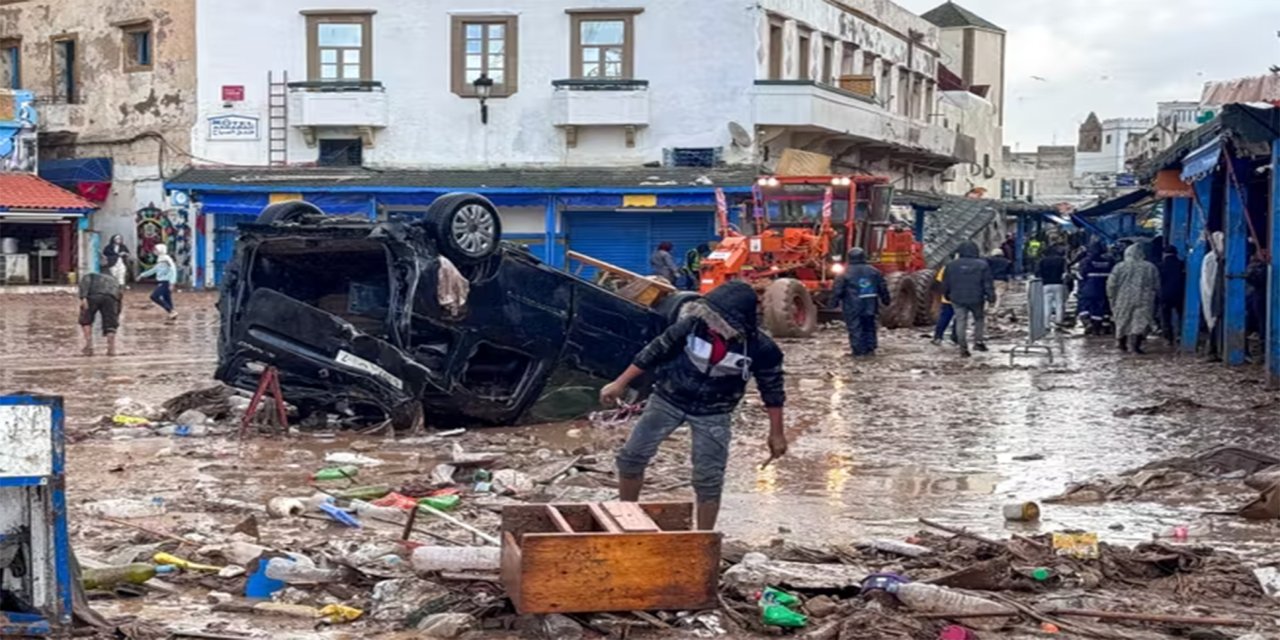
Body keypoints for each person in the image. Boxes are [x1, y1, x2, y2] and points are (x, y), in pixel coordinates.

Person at [601, 281, 787, 530]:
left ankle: (704, 535)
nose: (710, 323)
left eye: (716, 319)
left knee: (708, 477)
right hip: (668, 398)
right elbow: (655, 350)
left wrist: (776, 433)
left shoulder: (762, 349)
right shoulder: (691, 326)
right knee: (631, 457)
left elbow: (772, 391)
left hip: (715, 411)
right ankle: (627, 516)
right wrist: (620, 383)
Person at [830, 248, 891, 357]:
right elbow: (882, 287)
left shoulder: (844, 272)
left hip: (852, 306)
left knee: (855, 327)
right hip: (871, 304)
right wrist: (886, 300)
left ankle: (858, 351)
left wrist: (832, 304)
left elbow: (838, 290)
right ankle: (870, 349)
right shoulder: (874, 271)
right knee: (870, 326)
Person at [942, 241, 995, 357]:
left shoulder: (951, 265)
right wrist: (991, 297)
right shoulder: (982, 265)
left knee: (961, 321)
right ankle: (978, 342)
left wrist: (946, 294)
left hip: (957, 297)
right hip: (977, 297)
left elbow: (946, 282)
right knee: (979, 319)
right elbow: (987, 283)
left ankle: (963, 347)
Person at [1107, 243, 1160, 354]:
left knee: (1122, 320)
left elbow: (1111, 284)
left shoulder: (1119, 266)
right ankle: (1135, 347)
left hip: (1123, 298)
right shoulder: (1150, 267)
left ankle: (1121, 345)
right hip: (1144, 299)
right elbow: (1156, 285)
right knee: (1139, 321)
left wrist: (1112, 297)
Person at [78, 270, 122, 357]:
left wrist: (83, 297)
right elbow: (119, 297)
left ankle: (89, 345)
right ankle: (111, 348)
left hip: (93, 295)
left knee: (86, 319)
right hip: (111, 297)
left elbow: (85, 284)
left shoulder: (89, 275)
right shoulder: (114, 279)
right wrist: (116, 313)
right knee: (111, 324)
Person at [1077, 242, 1115, 336]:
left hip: (1088, 288)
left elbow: (1081, 275)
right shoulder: (1109, 261)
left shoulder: (1087, 261)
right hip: (1103, 288)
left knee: (1084, 306)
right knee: (1099, 309)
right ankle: (1096, 328)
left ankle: (1087, 323)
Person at [138, 244, 178, 321]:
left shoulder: (166, 260)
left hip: (165, 281)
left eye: (156, 250)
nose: (154, 251)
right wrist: (142, 275)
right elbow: (154, 270)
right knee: (167, 299)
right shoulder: (160, 259)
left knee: (154, 296)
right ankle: (172, 313)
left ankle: (171, 311)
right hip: (163, 281)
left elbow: (173, 270)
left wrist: (172, 282)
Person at [1157, 246, 1186, 346]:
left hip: (1165, 295)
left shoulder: (1161, 265)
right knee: (1181, 315)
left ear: (1164, 254)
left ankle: (1168, 338)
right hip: (1179, 294)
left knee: (1166, 318)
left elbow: (1158, 282)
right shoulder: (1181, 264)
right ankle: (1180, 335)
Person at [1036, 245, 1068, 326]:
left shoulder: (1042, 261)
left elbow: (1037, 273)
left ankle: (1046, 323)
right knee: (1059, 303)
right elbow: (1065, 272)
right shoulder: (1061, 260)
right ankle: (1059, 320)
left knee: (1047, 304)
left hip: (1046, 284)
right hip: (1058, 283)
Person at [931, 263, 956, 346]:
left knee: (944, 317)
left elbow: (938, 282)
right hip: (965, 298)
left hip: (948, 297)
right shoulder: (977, 265)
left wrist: (942, 293)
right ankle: (955, 338)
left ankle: (938, 337)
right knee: (960, 318)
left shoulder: (947, 267)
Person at [986, 249, 1013, 315]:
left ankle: (986, 307)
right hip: (1002, 280)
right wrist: (1010, 283)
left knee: (988, 294)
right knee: (999, 295)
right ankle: (996, 308)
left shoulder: (988, 260)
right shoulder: (1007, 261)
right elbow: (1009, 273)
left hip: (991, 279)